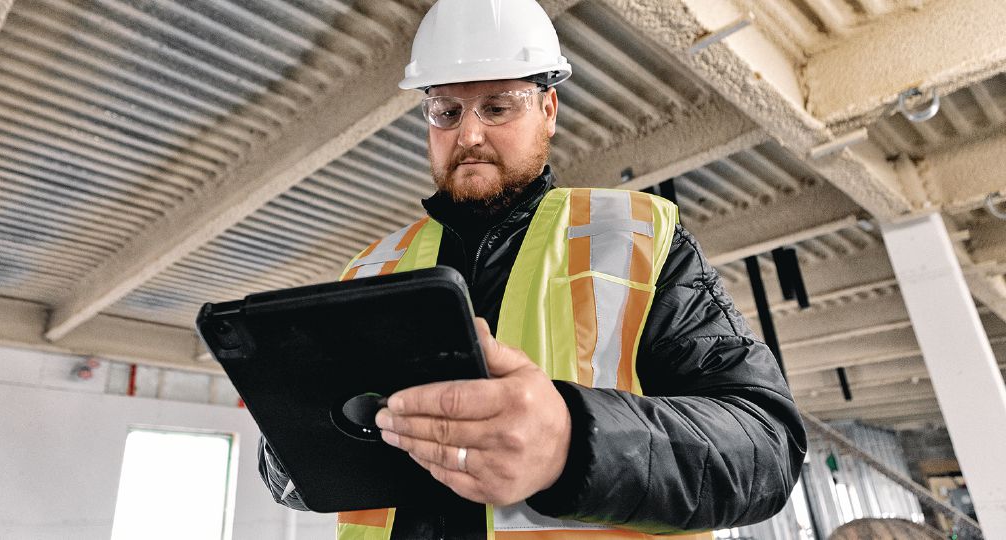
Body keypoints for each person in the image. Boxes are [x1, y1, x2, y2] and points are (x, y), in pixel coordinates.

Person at [258, 0, 807, 538]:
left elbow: (767, 447)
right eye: (447, 111)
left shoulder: (635, 237)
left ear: (548, 110)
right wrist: (292, 443)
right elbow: (308, 467)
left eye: (497, 107)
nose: (468, 134)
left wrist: (574, 441)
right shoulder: (372, 269)